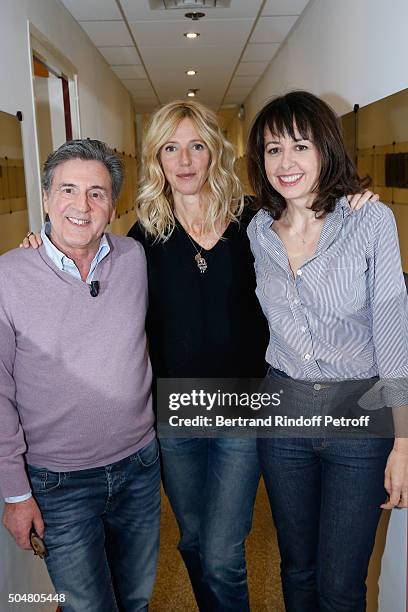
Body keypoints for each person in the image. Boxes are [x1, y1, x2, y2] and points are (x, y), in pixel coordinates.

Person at [21, 101, 376, 612]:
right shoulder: (142, 242)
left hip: (244, 410)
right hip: (177, 416)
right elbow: (82, 275)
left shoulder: (258, 223)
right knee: (191, 542)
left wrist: (351, 200)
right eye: (170, 148)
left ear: (215, 152)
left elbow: (316, 223)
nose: (184, 160)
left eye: (196, 146)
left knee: (222, 552)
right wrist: (42, 251)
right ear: (156, 160)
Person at [246, 90, 408, 612]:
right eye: (273, 150)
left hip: (360, 419)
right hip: (284, 415)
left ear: (326, 150)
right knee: (297, 568)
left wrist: (403, 443)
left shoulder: (369, 222)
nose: (286, 162)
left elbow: (392, 334)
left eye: (301, 145)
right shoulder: (257, 234)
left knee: (341, 585)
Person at [0, 139, 160, 612]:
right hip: (57, 483)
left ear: (113, 205)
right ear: (47, 198)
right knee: (87, 606)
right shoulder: (8, 277)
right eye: (68, 190)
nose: (81, 205)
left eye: (97, 192)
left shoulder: (135, 259)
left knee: (135, 599)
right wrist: (15, 493)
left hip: (139, 470)